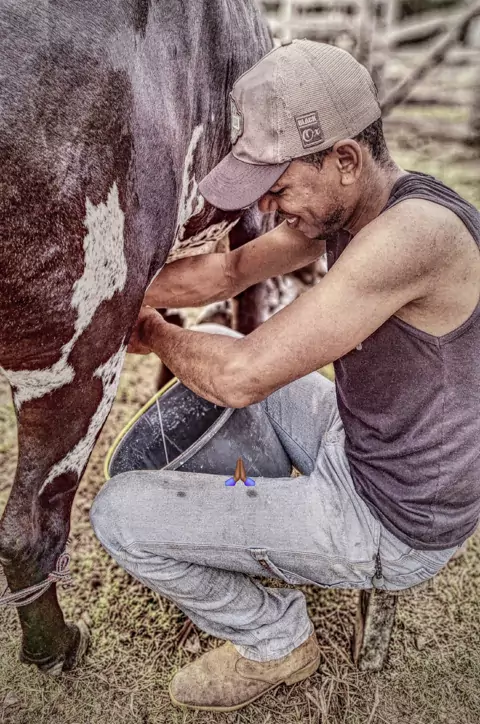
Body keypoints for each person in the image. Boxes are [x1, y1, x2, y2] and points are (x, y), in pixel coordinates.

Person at [90, 40, 480, 713]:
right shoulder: (358, 204)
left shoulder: (414, 236)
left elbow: (242, 379)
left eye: (279, 187)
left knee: (117, 515)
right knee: (218, 338)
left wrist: (149, 332)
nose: (269, 208)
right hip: (365, 443)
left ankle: (276, 640)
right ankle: (268, 515)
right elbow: (228, 272)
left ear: (345, 160)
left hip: (394, 516)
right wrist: (112, 292)